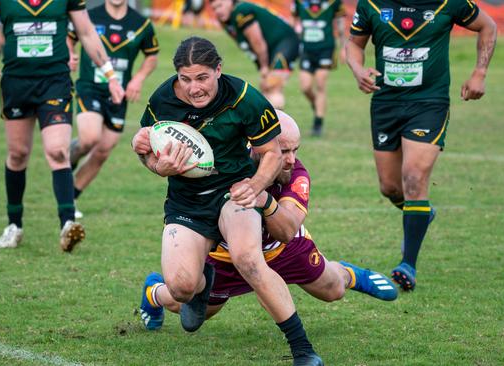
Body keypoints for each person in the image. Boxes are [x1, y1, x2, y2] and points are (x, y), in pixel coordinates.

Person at [131, 37, 322, 366]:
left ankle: (302, 349)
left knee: (250, 261)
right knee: (181, 288)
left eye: (202, 77)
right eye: (185, 79)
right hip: (186, 202)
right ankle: (199, 283)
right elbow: (148, 150)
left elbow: (272, 154)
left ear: (218, 70)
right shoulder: (162, 99)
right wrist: (156, 167)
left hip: (232, 193)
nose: (194, 88)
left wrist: (256, 185)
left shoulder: (245, 99)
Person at [138, 110, 398, 336]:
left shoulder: (295, 173)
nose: (291, 159)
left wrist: (264, 200)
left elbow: (287, 230)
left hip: (280, 248)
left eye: (296, 150)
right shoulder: (222, 165)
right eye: (283, 150)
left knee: (333, 290)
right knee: (186, 306)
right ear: (257, 145)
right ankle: (154, 291)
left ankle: (350, 274)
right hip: (224, 257)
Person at [346, 0, 496, 290]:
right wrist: (357, 68)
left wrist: (480, 71)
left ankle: (408, 265)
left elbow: (487, 26)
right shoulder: (371, 4)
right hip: (386, 103)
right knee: (389, 187)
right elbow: (354, 44)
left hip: (429, 103)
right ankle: (421, 213)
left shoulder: (449, 3)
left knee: (414, 176)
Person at [0, 0, 125, 251]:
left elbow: (86, 32)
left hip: (55, 82)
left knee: (57, 151)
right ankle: (14, 225)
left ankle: (67, 225)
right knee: (18, 154)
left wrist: (110, 76)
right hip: (16, 83)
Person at [67, 0, 159, 218]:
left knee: (102, 151)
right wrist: (69, 54)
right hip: (90, 87)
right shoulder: (88, 16)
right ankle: (69, 159)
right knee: (90, 138)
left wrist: (137, 79)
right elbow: (68, 38)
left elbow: (152, 55)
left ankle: (69, 199)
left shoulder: (141, 24)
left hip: (118, 95)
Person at [209, 0, 299, 110]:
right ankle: (269, 124)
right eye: (214, 8)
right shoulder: (225, 21)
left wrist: (264, 66)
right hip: (271, 50)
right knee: (265, 87)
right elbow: (243, 43)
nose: (218, 11)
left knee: (272, 85)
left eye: (220, 5)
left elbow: (257, 41)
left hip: (286, 43)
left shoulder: (241, 11)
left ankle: (278, 125)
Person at [292, 0, 346, 136]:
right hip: (306, 49)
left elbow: (340, 25)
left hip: (326, 49)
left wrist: (344, 47)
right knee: (305, 87)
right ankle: (317, 106)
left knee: (321, 84)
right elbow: (295, 20)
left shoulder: (334, 2)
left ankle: (318, 123)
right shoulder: (299, 2)